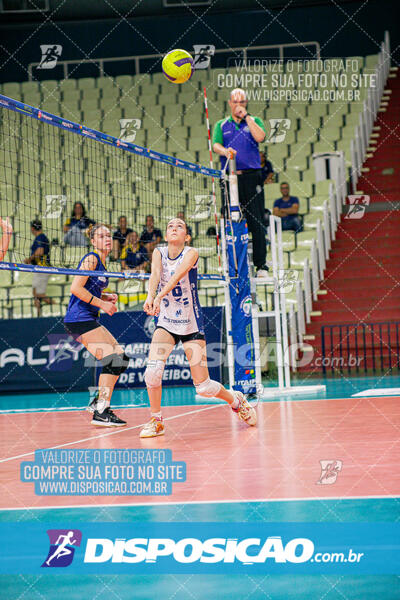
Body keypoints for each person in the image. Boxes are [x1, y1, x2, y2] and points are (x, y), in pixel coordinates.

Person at [141, 217, 257, 438]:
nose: (174, 228)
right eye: (170, 227)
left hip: (190, 321)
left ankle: (236, 400)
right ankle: (156, 420)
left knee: (203, 387)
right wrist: (150, 296)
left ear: (187, 237)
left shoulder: (191, 253)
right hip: (166, 321)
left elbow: (175, 277)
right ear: (166, 236)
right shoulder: (159, 252)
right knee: (152, 373)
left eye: (180, 226)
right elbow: (156, 275)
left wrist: (158, 296)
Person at [63, 224, 128, 427]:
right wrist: (103, 304)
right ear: (93, 241)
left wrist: (106, 295)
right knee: (112, 360)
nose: (107, 238)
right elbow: (76, 288)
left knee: (121, 358)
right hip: (79, 319)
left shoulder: (103, 263)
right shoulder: (92, 258)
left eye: (109, 235)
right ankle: (101, 411)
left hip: (87, 318)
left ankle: (98, 402)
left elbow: (90, 289)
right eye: (101, 236)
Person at [212, 88, 269, 277]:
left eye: (242, 102)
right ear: (229, 103)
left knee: (257, 221)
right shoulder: (221, 125)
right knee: (231, 220)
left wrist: (248, 118)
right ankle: (233, 264)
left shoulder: (255, 121)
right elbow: (215, 145)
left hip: (252, 177)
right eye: (235, 102)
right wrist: (225, 151)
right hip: (230, 177)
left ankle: (261, 266)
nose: (238, 105)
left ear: (246, 103)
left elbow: (260, 137)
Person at [24, 219, 53, 316]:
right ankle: (38, 315)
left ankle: (61, 308)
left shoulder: (40, 237)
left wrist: (29, 259)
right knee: (35, 294)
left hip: (42, 268)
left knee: (38, 294)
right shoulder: (42, 237)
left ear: (32, 228)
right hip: (39, 268)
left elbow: (39, 252)